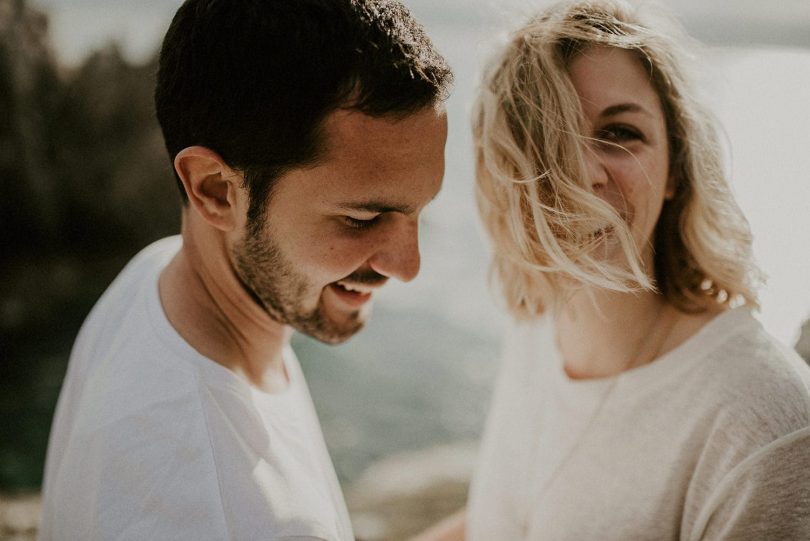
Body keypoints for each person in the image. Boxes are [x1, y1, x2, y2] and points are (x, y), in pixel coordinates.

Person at [38, 1, 451, 539]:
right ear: (215, 190)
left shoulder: (157, 272)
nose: (409, 266)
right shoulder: (194, 501)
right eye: (362, 218)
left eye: (420, 209)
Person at [414, 0, 810, 539]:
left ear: (676, 168)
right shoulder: (538, 324)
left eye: (621, 132)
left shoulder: (763, 427)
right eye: (544, 139)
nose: (582, 173)